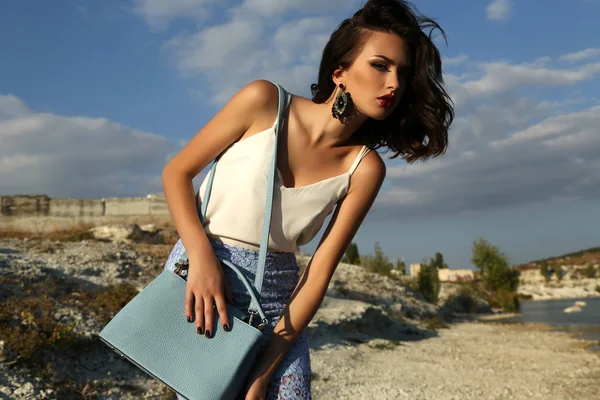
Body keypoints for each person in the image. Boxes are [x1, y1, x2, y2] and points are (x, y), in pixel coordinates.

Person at [161, 0, 453, 398]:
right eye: (380, 65)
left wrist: (264, 373)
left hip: (282, 301)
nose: (394, 84)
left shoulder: (364, 168)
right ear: (340, 73)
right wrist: (201, 257)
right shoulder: (262, 102)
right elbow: (177, 172)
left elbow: (318, 272)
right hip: (204, 276)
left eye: (402, 73)